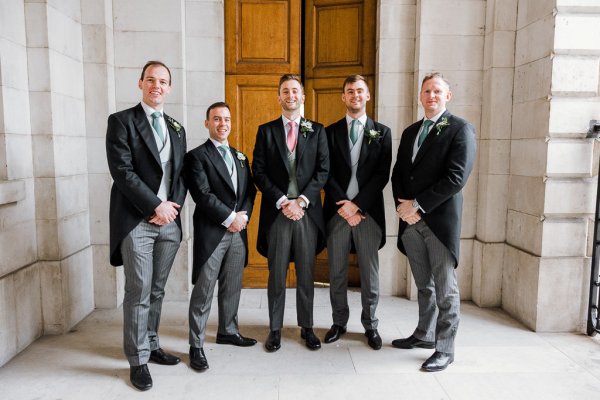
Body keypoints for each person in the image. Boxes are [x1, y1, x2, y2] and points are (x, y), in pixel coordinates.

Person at [106, 60, 187, 390]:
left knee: (156, 289)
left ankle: (152, 345)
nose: (157, 85)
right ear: (140, 83)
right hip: (136, 220)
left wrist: (171, 211)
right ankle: (137, 359)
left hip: (169, 222)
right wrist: (155, 206)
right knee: (138, 290)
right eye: (151, 80)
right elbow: (122, 171)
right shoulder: (122, 121)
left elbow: (180, 173)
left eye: (163, 81)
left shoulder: (177, 127)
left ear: (169, 87)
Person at [390, 72, 476, 371]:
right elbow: (399, 172)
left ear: (447, 96)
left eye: (437, 91)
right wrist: (403, 207)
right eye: (427, 91)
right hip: (410, 221)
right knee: (423, 285)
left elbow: (455, 178)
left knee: (445, 288)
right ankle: (424, 334)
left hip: (438, 222)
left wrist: (418, 206)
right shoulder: (412, 131)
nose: (431, 96)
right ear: (420, 96)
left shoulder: (460, 129)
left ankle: (445, 348)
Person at [252, 74, 329, 352]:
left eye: (295, 91)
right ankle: (275, 328)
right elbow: (257, 170)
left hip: (307, 213)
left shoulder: (317, 130)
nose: (290, 95)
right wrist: (284, 200)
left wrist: (303, 201)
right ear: (279, 97)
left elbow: (323, 170)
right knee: (277, 272)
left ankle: (307, 327)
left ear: (303, 96)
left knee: (307, 272)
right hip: (279, 212)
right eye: (285, 91)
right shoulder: (266, 130)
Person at [183, 102, 257, 371]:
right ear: (207, 123)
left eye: (226, 119)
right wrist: (230, 218)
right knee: (204, 289)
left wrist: (244, 217)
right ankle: (196, 344)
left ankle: (228, 330)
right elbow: (202, 195)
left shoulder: (241, 157)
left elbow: (250, 191)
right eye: (216, 119)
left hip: (239, 231)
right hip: (213, 231)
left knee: (232, 285)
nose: (222, 123)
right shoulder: (196, 157)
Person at [322, 75, 391, 350]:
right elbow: (325, 172)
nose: (355, 95)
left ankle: (371, 325)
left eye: (360, 91)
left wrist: (358, 205)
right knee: (336, 271)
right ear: (343, 97)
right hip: (337, 212)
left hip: (368, 213)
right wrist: (344, 204)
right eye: (350, 91)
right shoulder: (329, 133)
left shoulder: (382, 132)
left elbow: (381, 175)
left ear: (368, 95)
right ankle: (339, 322)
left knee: (369, 273)